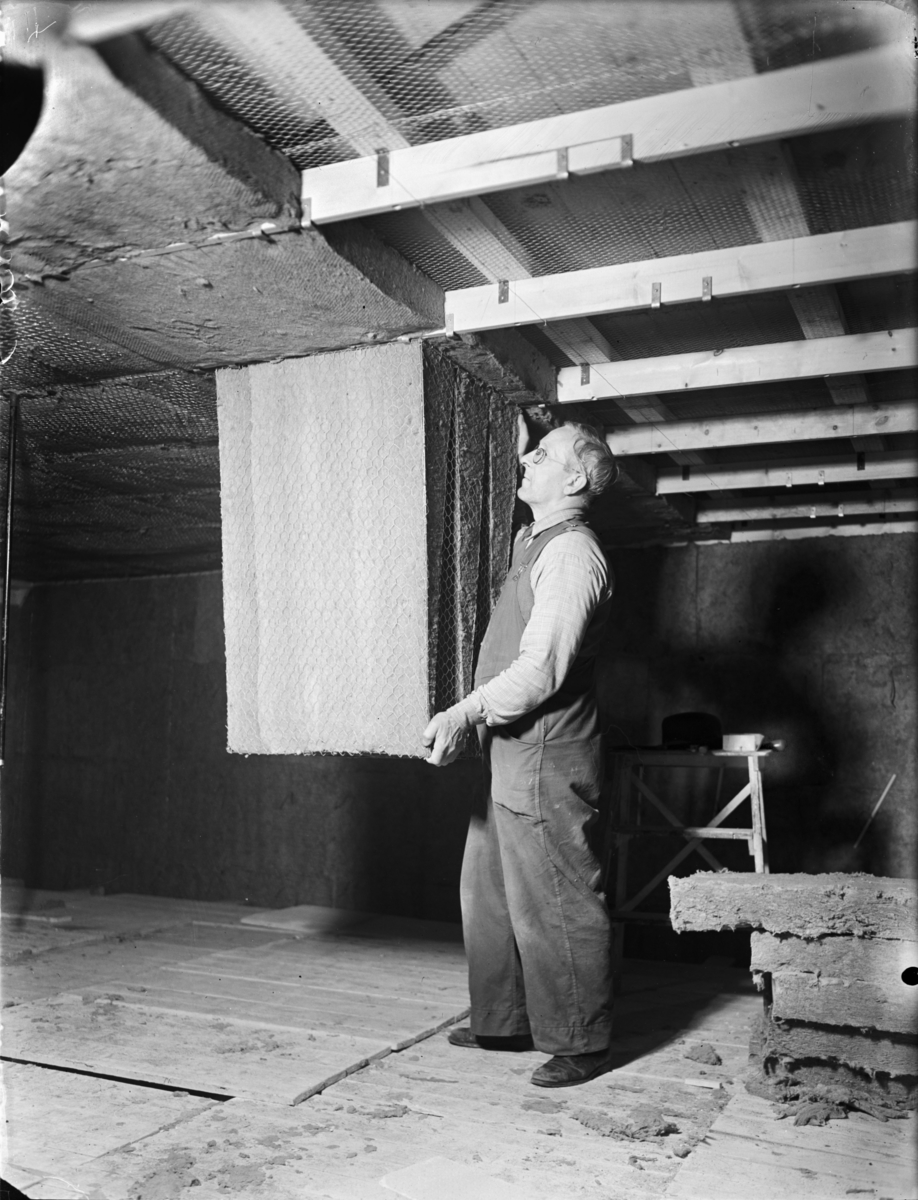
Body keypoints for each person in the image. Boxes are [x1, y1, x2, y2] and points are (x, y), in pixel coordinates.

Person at [422, 418, 619, 1088]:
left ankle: (582, 1039)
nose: (528, 460)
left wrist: (464, 712)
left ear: (576, 478)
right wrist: (513, 441)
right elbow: (530, 478)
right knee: (490, 888)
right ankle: (503, 1020)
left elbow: (540, 671)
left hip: (547, 750)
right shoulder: (533, 538)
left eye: (545, 455)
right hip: (510, 747)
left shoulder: (573, 554)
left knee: (554, 896)